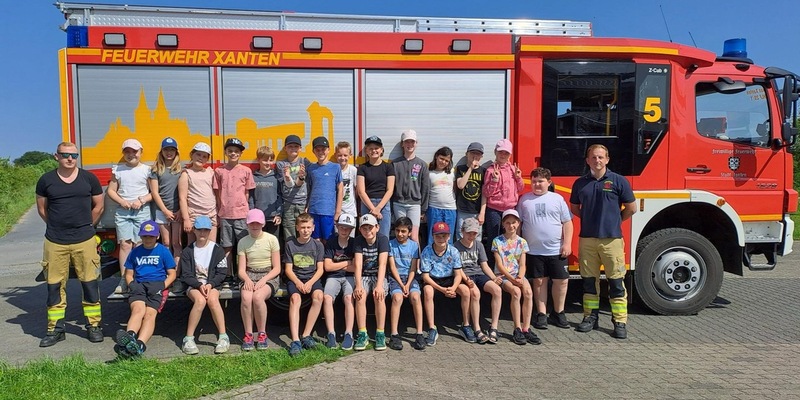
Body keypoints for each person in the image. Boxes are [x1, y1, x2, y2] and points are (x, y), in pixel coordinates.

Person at [36, 142, 105, 347]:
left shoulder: (89, 179)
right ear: (56, 156)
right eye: (65, 155)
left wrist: (85, 227)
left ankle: (93, 327)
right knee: (54, 287)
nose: (70, 159)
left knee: (90, 284)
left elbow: (99, 205)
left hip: (85, 239)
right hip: (55, 241)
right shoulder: (46, 180)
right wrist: (57, 227)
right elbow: (42, 210)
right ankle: (55, 329)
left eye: (74, 155)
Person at [569, 144, 636, 339]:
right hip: (587, 240)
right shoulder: (580, 183)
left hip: (612, 241)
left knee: (616, 282)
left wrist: (615, 221)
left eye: (601, 157)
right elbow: (575, 208)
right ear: (587, 160)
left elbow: (631, 208)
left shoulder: (618, 181)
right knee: (589, 282)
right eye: (593, 157)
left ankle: (620, 321)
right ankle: (590, 317)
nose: (597, 161)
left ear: (607, 159)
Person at [518, 167, 573, 330]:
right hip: (534, 251)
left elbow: (567, 222)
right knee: (539, 282)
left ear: (549, 182)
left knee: (561, 281)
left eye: (540, 181)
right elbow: (519, 224)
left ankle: (558, 313)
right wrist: (520, 248)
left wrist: (567, 243)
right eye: (534, 181)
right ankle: (541, 314)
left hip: (556, 249)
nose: (537, 185)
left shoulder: (557, 199)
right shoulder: (524, 200)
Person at [114, 221, 176, 358]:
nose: (148, 239)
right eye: (145, 236)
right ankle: (129, 338)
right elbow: (128, 274)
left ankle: (140, 344)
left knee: (150, 314)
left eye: (151, 236)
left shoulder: (163, 251)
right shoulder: (135, 252)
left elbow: (172, 274)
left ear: (157, 236)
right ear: (141, 237)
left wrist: (162, 286)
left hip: (157, 285)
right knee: (138, 310)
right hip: (139, 285)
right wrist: (132, 285)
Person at [106, 138, 152, 294]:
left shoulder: (147, 170)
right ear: (123, 153)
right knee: (125, 245)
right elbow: (111, 191)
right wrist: (122, 201)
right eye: (127, 152)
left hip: (142, 210)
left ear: (141, 152)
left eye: (135, 151)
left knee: (141, 244)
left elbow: (154, 193)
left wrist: (142, 200)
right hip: (123, 211)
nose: (131, 154)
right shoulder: (118, 170)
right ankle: (125, 279)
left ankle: (140, 277)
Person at [179, 216, 229, 355]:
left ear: (210, 231)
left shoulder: (217, 249)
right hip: (194, 285)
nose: (202, 233)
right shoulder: (188, 251)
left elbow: (222, 272)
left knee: (213, 300)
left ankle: (223, 336)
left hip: (212, 284)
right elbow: (186, 274)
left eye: (206, 230)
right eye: (199, 230)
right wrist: (198, 285)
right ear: (194, 230)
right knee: (200, 301)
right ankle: (188, 338)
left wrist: (211, 284)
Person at [492, 210, 540, 345]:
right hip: (504, 276)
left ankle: (526, 328)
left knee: (529, 293)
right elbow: (499, 265)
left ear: (518, 223)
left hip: (517, 275)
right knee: (516, 292)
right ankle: (517, 328)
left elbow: (523, 264)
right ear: (503, 224)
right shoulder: (497, 241)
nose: (511, 225)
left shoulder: (522, 242)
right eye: (507, 223)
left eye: (513, 222)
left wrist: (520, 277)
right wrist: (512, 280)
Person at [237, 209, 282, 351]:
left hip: (268, 274)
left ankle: (262, 333)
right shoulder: (243, 242)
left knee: (257, 297)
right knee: (246, 297)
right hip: (250, 274)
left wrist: (264, 280)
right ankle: (248, 334)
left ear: (263, 223)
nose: (255, 226)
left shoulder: (271, 239)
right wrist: (247, 280)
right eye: (252, 223)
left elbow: (277, 268)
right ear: (247, 225)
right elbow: (241, 270)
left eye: (257, 223)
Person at [420, 221, 470, 347]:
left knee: (465, 290)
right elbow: (425, 276)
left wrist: (453, 288)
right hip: (433, 279)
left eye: (444, 236)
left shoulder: (453, 251)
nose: (441, 239)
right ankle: (432, 328)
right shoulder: (426, 251)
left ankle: (466, 325)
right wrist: (442, 290)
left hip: (450, 279)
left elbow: (458, 274)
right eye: (437, 236)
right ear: (433, 236)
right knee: (427, 291)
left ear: (448, 236)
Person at [454, 217, 504, 344]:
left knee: (497, 290)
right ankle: (476, 328)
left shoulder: (479, 245)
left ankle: (494, 327)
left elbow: (484, 265)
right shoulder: (456, 247)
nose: (471, 236)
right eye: (468, 233)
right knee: (475, 293)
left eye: (474, 233)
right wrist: (466, 280)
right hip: (465, 275)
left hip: (479, 274)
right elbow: (457, 268)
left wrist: (493, 277)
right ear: (462, 231)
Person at [284, 213, 325, 356]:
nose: (305, 230)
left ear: (313, 228)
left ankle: (306, 335)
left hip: (312, 279)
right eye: (302, 227)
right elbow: (288, 269)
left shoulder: (318, 245)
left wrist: (309, 283)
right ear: (297, 228)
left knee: (319, 296)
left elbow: (320, 269)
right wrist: (298, 283)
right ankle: (295, 340)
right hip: (296, 279)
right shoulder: (290, 244)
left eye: (308, 227)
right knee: (295, 299)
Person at [214, 137, 255, 279]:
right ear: (225, 152)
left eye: (236, 151)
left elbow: (248, 192)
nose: (233, 153)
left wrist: (248, 211)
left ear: (240, 154)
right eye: (230, 151)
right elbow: (217, 192)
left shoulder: (246, 171)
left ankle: (243, 275)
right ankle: (227, 275)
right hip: (225, 215)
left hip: (242, 214)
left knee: (244, 247)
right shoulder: (219, 171)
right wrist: (219, 211)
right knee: (226, 247)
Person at [148, 137, 184, 292]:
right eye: (166, 150)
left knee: (177, 244)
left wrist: (179, 211)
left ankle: (177, 277)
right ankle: (166, 275)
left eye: (172, 150)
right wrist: (165, 211)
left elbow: (185, 193)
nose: (169, 153)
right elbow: (154, 192)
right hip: (162, 212)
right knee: (166, 243)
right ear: (161, 152)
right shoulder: (155, 170)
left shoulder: (181, 170)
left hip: (178, 212)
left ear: (176, 152)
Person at [352, 214, 390, 351]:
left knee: (379, 296)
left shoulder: (383, 239)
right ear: (360, 230)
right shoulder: (358, 241)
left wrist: (379, 285)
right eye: (364, 228)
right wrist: (358, 285)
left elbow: (383, 264)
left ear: (377, 227)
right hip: (364, 275)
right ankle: (362, 333)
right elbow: (358, 265)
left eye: (370, 227)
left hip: (379, 275)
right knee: (360, 296)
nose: (368, 231)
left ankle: (380, 333)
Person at [387, 217, 424, 351]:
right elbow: (392, 267)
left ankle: (419, 333)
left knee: (415, 297)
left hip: (410, 277)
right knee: (397, 298)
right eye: (397, 231)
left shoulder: (414, 246)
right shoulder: (390, 244)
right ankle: (394, 334)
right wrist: (401, 285)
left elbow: (413, 268)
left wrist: (408, 284)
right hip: (395, 277)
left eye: (403, 231)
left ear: (409, 232)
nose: (400, 234)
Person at [321, 213, 357, 350]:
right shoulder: (331, 241)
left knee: (348, 298)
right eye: (341, 227)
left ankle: (349, 333)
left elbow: (355, 268)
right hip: (334, 276)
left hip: (349, 276)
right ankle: (331, 333)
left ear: (351, 229)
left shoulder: (354, 243)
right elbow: (327, 267)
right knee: (327, 297)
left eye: (347, 228)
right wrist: (347, 262)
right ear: (337, 227)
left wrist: (343, 265)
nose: (344, 230)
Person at [482, 139, 524, 255]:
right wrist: (494, 180)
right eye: (500, 152)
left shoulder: (513, 169)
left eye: (506, 153)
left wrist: (518, 178)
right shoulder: (490, 170)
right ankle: (491, 267)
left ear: (510, 155)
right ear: (495, 152)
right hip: (494, 210)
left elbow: (520, 189)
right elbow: (486, 193)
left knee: (509, 238)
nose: (503, 155)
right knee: (494, 238)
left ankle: (508, 266)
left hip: (510, 209)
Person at [391, 130, 430, 244]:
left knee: (413, 237)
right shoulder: (395, 164)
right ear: (402, 144)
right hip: (398, 204)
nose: (409, 145)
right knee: (401, 235)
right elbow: (391, 186)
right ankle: (400, 261)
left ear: (416, 143)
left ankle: (416, 262)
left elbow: (425, 188)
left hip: (415, 205)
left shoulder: (421, 164)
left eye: (412, 142)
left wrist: (423, 209)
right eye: (407, 142)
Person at [306, 136, 343, 243]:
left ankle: (327, 259)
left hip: (328, 211)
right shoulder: (311, 168)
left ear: (328, 150)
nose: (321, 152)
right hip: (313, 210)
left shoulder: (336, 167)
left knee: (328, 239)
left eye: (323, 149)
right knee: (316, 239)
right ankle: (319, 259)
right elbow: (309, 189)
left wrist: (337, 211)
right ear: (313, 151)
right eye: (318, 150)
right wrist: (307, 207)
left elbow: (340, 189)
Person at [179, 142, 217, 245]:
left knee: (211, 246)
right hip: (194, 216)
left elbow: (216, 193)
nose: (201, 158)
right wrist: (186, 219)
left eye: (204, 156)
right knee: (193, 247)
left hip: (211, 215)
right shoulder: (186, 174)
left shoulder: (210, 172)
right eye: (198, 154)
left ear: (207, 159)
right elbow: (182, 198)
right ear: (192, 155)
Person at [357, 136, 395, 238]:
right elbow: (361, 191)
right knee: (367, 235)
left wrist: (378, 208)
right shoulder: (362, 168)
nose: (374, 150)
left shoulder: (388, 167)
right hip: (367, 204)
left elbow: (390, 190)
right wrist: (373, 209)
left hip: (383, 204)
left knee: (384, 236)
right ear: (367, 151)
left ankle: (383, 254)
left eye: (376, 148)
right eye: (370, 148)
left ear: (381, 150)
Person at [277, 134, 310, 241]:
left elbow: (308, 184)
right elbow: (289, 185)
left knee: (304, 234)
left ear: (300, 148)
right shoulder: (281, 164)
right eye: (290, 146)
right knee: (289, 236)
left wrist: (301, 177)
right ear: (285, 148)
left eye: (296, 146)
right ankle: (290, 257)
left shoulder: (305, 162)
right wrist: (287, 177)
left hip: (302, 204)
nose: (293, 149)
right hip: (288, 204)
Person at [455, 142, 487, 240]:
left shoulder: (483, 171)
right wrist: (470, 169)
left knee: (476, 237)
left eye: (478, 154)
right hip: (462, 210)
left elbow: (485, 194)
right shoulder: (461, 169)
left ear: (481, 156)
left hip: (476, 211)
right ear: (467, 154)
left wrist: (482, 213)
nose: (475, 156)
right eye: (472, 153)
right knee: (461, 236)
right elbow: (460, 185)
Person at [426, 146, 458, 245]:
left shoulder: (452, 173)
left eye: (446, 160)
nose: (443, 162)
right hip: (434, 209)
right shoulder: (429, 173)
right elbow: (426, 192)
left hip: (450, 209)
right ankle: (431, 259)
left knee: (449, 237)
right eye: (441, 158)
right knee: (433, 237)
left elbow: (456, 189)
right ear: (436, 157)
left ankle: (448, 259)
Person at [249, 146, 282, 237]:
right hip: (257, 218)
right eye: (265, 160)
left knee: (273, 244)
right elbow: (251, 197)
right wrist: (251, 212)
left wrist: (279, 214)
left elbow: (280, 197)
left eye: (271, 160)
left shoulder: (276, 177)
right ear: (258, 160)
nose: (268, 163)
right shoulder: (253, 177)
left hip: (273, 218)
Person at [335, 142, 358, 235]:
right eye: (340, 155)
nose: (342, 158)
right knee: (338, 237)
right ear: (336, 155)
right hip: (337, 212)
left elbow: (356, 190)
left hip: (350, 211)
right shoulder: (334, 170)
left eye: (345, 155)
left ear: (350, 155)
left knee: (350, 239)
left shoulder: (353, 170)